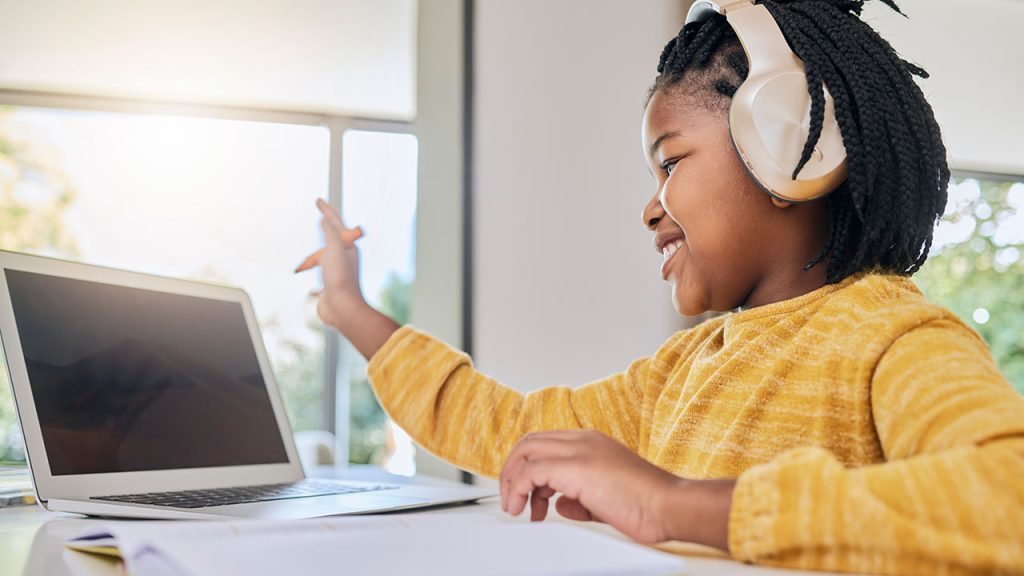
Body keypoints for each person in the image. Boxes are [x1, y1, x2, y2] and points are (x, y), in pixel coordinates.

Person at [299, 0, 1024, 573]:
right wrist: (355, 314)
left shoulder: (892, 339)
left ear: (787, 143)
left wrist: (674, 502)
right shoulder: (683, 368)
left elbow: (1006, 499)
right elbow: (513, 431)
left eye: (671, 163)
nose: (651, 206)